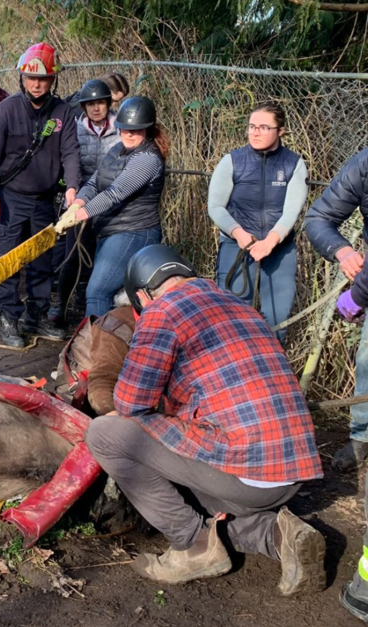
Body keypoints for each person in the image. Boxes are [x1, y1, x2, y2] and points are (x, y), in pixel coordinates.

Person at [85, 244, 325, 593]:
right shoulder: (239, 305)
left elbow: (129, 403)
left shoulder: (161, 311)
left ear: (141, 295)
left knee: (105, 434)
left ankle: (193, 546)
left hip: (245, 471)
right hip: (293, 470)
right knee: (188, 494)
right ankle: (277, 535)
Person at [0, 43, 80, 346]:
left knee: (42, 263)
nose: (36, 84)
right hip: (8, 199)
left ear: (53, 80)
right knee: (7, 261)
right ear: (22, 77)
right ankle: (8, 317)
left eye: (43, 79)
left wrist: (73, 186)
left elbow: (71, 153)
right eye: (30, 78)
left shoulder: (64, 113)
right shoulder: (6, 111)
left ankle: (35, 317)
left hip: (43, 202)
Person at [56, 96, 167, 318]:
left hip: (134, 232)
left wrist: (80, 215)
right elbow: (94, 183)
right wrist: (77, 203)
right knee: (108, 293)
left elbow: (115, 193)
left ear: (147, 129)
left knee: (97, 292)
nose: (128, 133)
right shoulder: (118, 149)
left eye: (135, 130)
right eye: (124, 129)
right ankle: (102, 343)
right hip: (112, 231)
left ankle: (95, 349)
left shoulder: (148, 158)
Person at [209, 102, 306, 344]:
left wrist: (272, 240)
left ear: (280, 131)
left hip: (279, 246)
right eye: (252, 126)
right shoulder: (231, 161)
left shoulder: (294, 164)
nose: (255, 132)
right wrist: (238, 233)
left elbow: (292, 210)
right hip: (238, 244)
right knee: (233, 314)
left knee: (277, 317)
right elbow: (216, 207)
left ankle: (272, 371)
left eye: (264, 127)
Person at [303, 146, 368, 473]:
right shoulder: (364, 163)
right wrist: (341, 251)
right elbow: (318, 218)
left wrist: (358, 294)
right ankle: (362, 436)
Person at [50, 78, 121, 327]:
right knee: (72, 254)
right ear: (84, 107)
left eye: (100, 103)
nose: (96, 108)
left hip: (113, 200)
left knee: (103, 257)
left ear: (108, 104)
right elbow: (68, 163)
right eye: (90, 104)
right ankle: (61, 304)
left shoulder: (121, 129)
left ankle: (86, 303)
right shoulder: (75, 128)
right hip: (81, 198)